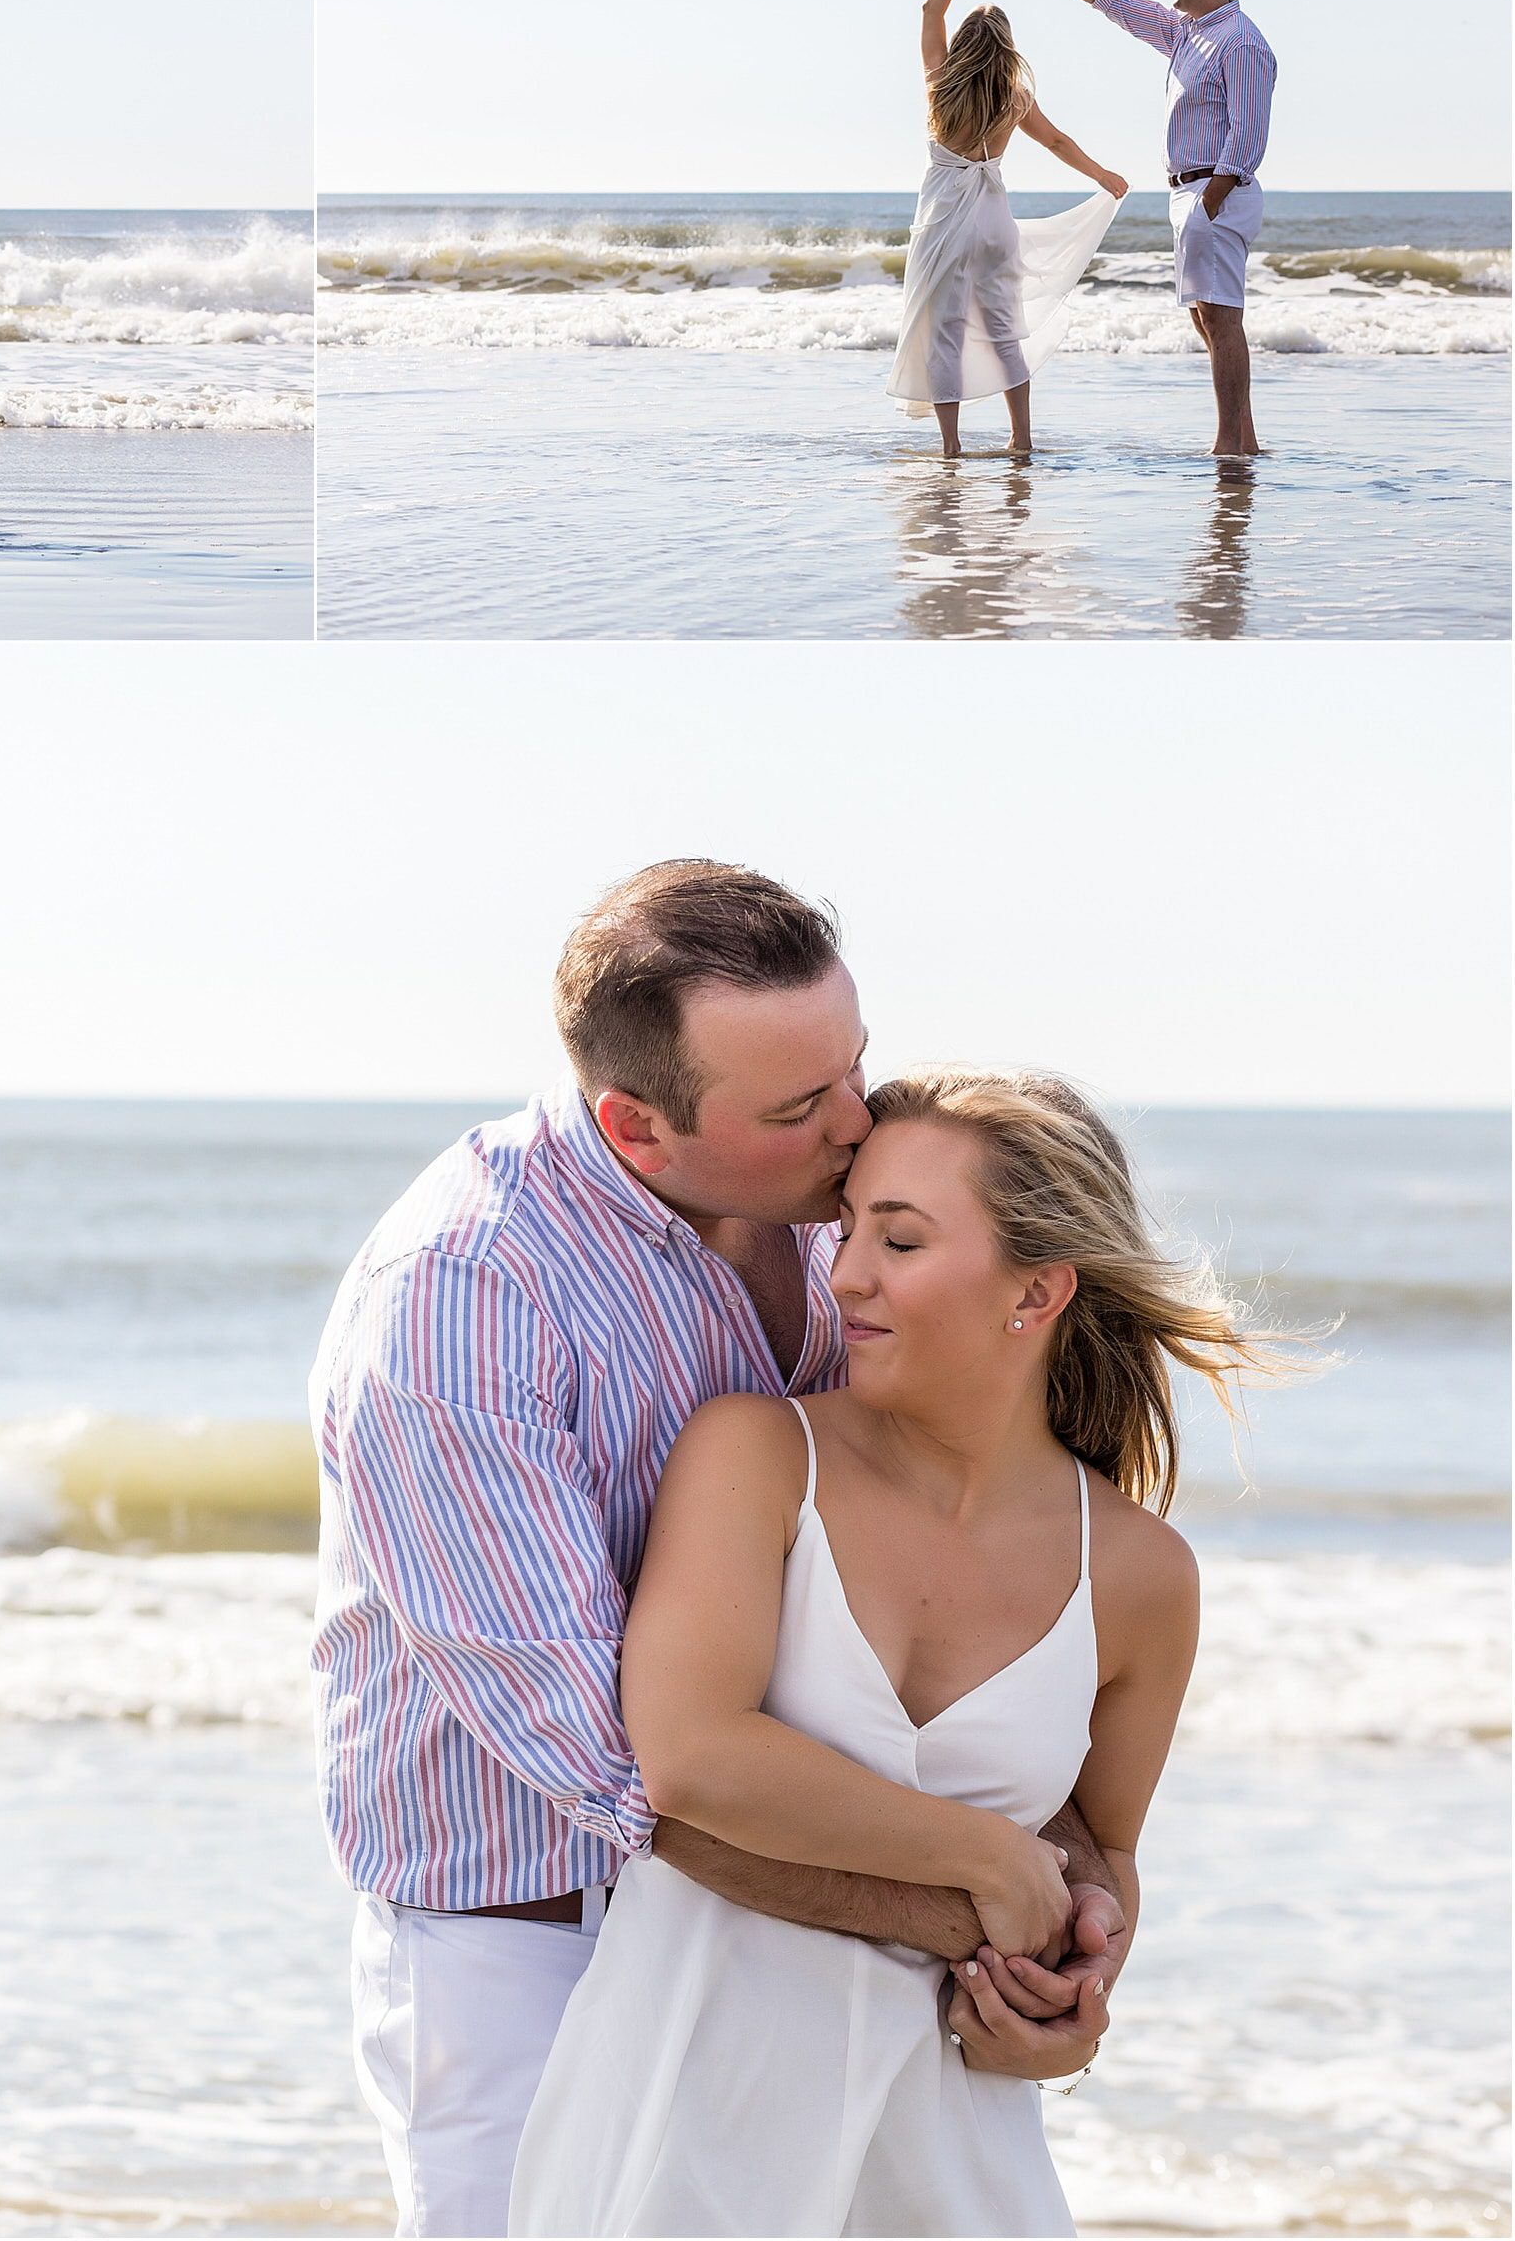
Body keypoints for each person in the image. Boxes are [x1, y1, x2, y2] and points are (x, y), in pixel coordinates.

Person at [312, 864, 1134, 2240]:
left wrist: (1070, 1943)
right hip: (534, 1945)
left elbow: (941, 1603)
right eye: (798, 1107)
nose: (857, 1124)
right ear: (635, 1126)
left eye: (852, 1066)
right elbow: (624, 1771)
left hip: (799, 1938)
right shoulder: (461, 1302)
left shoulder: (831, 1222)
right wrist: (971, 1914)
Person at [511, 1066, 1303, 2233]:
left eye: (900, 1240)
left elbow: (1102, 1863)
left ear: (1035, 1290)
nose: (844, 1275)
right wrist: (986, 1859)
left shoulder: (1140, 1577)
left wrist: (1071, 2010)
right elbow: (691, 1759)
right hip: (682, 2130)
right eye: (847, 1233)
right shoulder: (756, 1456)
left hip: (952, 2162)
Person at [1002, 0, 1278, 456]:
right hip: (1191, 192)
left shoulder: (1240, 41)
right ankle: (1245, 441)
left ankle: (1228, 447)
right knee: (1207, 318)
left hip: (1215, 191)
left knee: (1221, 319)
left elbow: (1248, 134)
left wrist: (1209, 203)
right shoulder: (1185, 31)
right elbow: (1114, 0)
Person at [887, 0, 1128, 458]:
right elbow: (1056, 141)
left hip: (946, 220)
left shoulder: (941, 83)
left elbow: (931, 9)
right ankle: (1022, 438)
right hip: (995, 223)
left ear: (962, 43)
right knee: (1003, 333)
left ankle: (951, 447)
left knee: (945, 335)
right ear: (1006, 47)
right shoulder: (1015, 96)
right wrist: (1103, 176)